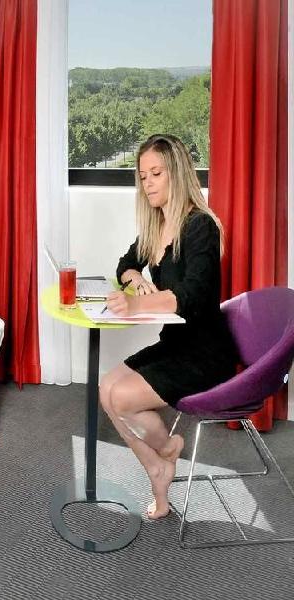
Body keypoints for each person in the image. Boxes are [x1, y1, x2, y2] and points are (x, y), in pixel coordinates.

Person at [99, 133, 237, 520]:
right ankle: (160, 462)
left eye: (156, 174)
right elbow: (125, 264)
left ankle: (163, 455)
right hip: (174, 343)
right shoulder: (157, 225)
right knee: (106, 388)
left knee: (121, 399)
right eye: (143, 177)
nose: (148, 184)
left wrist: (136, 303)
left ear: (177, 173)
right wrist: (135, 280)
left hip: (205, 354)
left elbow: (192, 296)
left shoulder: (200, 226)